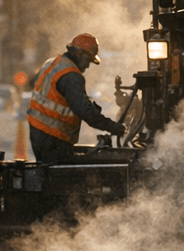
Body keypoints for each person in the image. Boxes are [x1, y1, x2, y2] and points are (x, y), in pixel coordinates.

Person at [26, 33, 125, 164]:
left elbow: (34, 84)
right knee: (62, 178)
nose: (88, 66)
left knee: (47, 173)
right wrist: (114, 127)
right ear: (79, 53)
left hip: (37, 131)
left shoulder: (53, 62)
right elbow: (84, 111)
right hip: (54, 137)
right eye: (88, 60)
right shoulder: (72, 76)